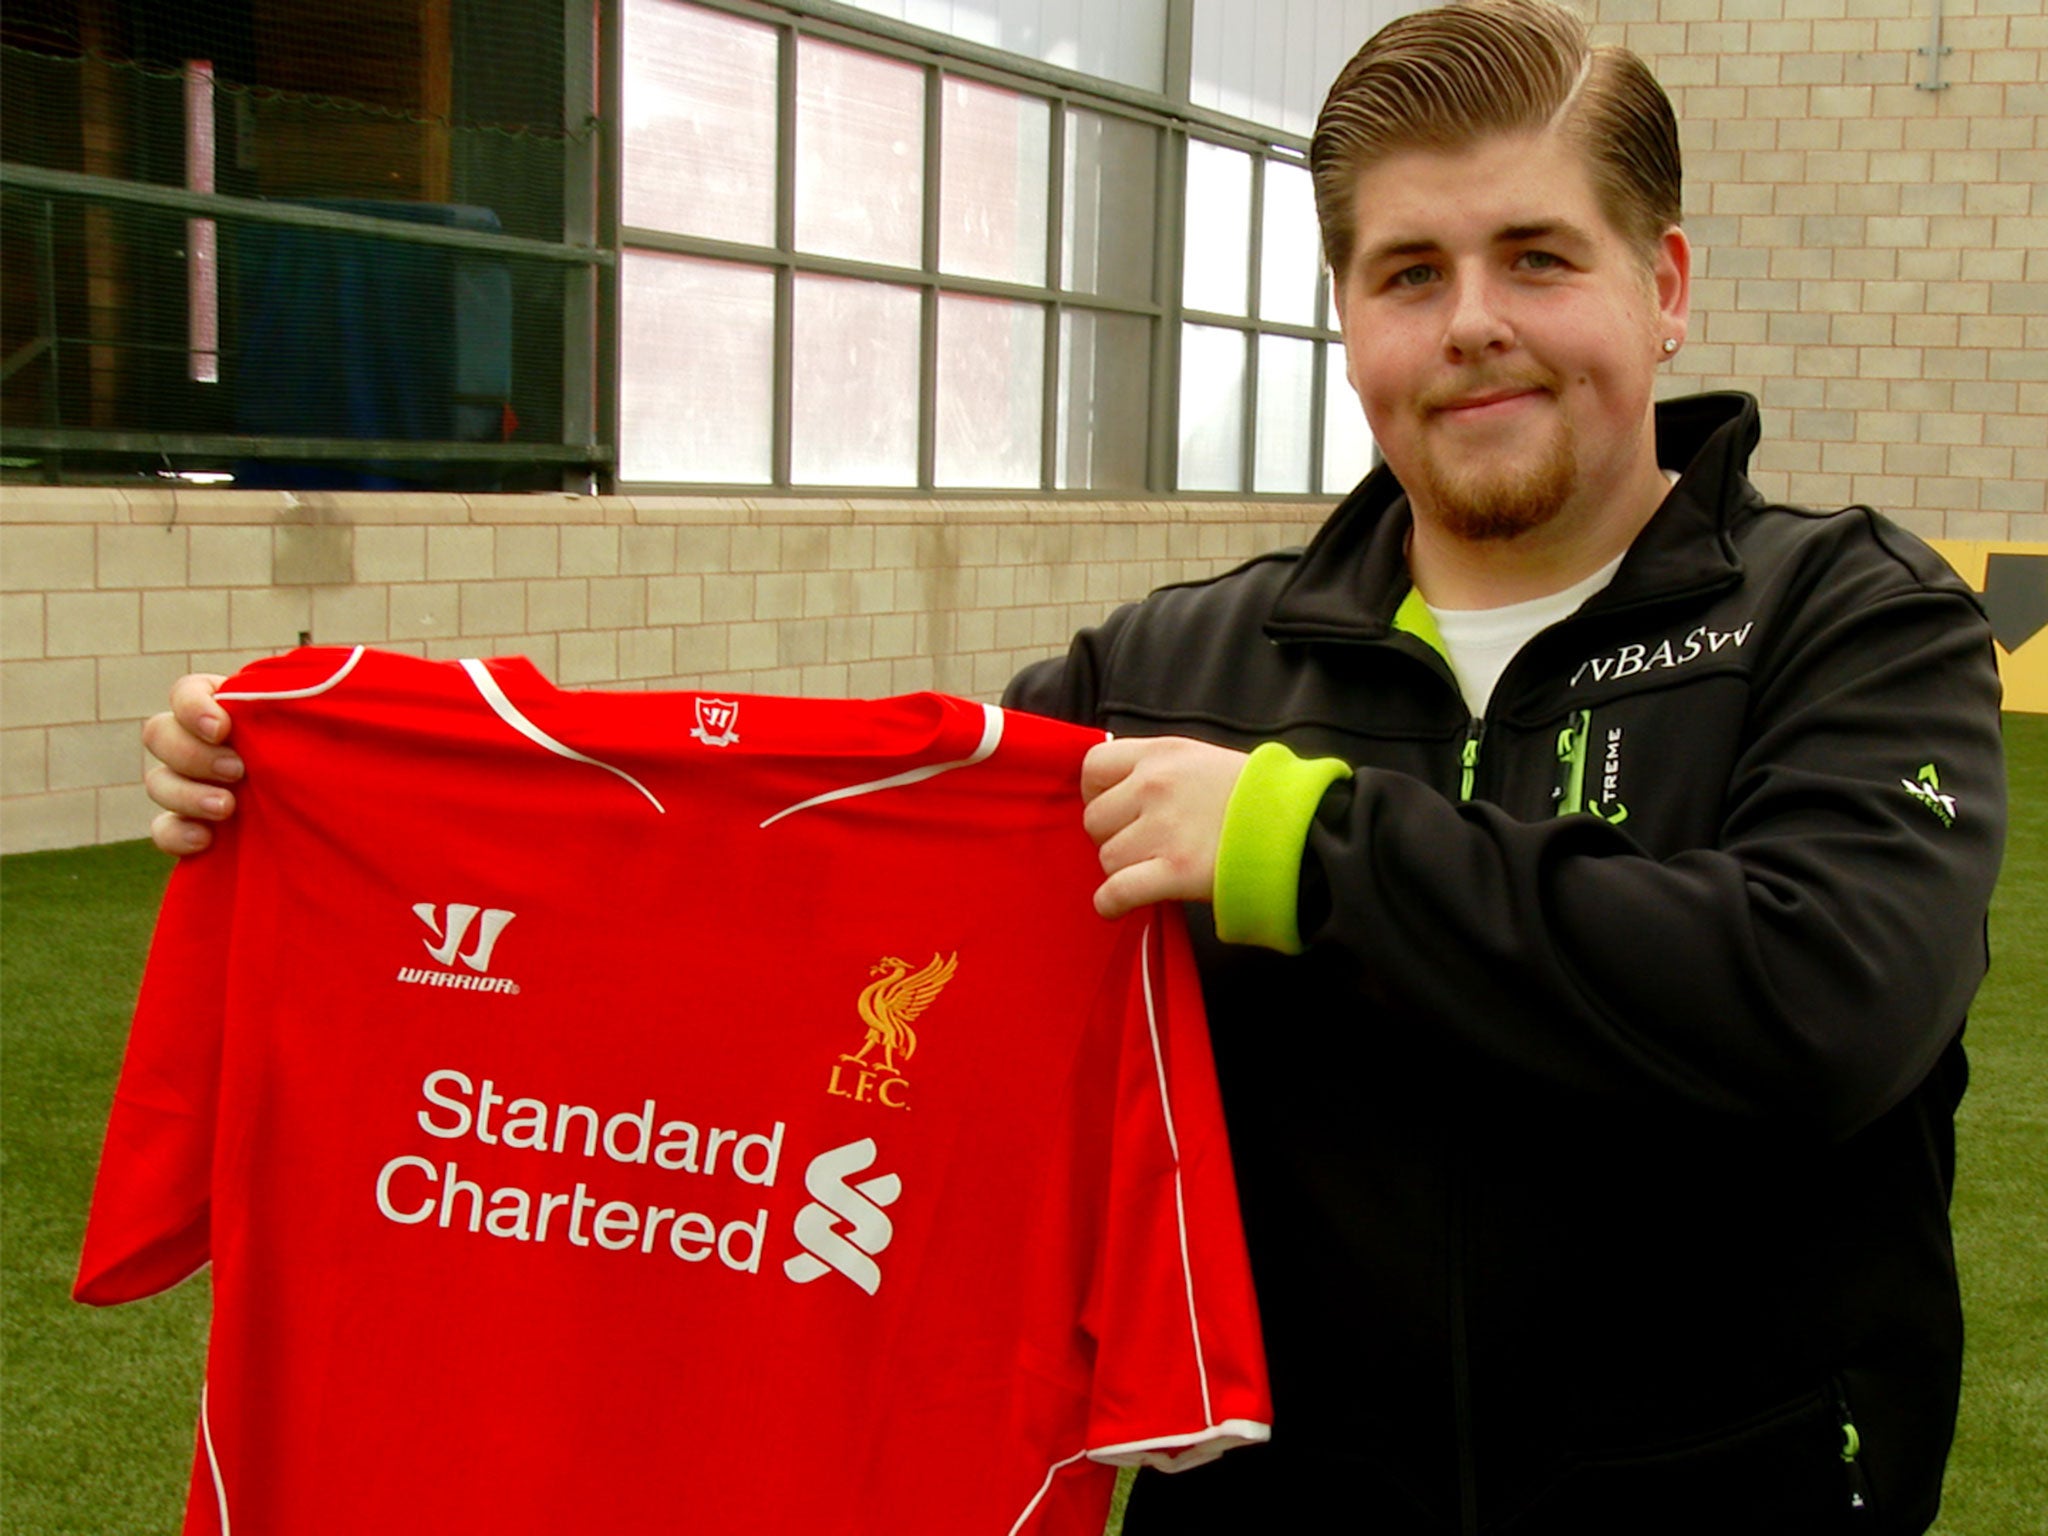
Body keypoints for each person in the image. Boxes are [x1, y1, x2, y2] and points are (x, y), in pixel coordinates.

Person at [143, 2, 2005, 1530]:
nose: (1475, 326)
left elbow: (1828, 996)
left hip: (1741, 1506)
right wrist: (340, 790)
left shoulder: (1850, 619)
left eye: (1539, 257)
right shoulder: (1176, 667)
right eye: (1409, 272)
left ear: (1662, 283)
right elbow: (811, 871)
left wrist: (1300, 844)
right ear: (1351, 322)